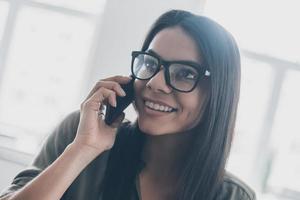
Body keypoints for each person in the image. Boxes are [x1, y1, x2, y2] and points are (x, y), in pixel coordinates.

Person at [0, 9, 256, 200]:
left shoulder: (233, 196)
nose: (155, 83)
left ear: (218, 93)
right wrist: (83, 150)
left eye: (184, 73)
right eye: (150, 63)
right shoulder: (80, 136)